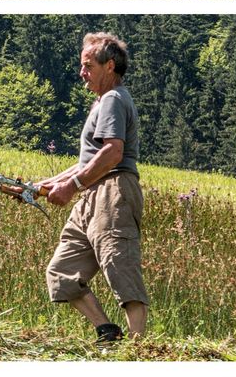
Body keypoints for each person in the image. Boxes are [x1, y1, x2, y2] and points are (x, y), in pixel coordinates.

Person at [39, 32, 149, 342]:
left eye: (88, 66)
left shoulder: (114, 98)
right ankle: (107, 330)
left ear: (109, 66)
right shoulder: (102, 101)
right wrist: (48, 184)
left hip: (114, 191)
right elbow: (88, 160)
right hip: (91, 194)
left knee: (119, 265)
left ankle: (138, 350)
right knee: (62, 272)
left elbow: (112, 153)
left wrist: (71, 186)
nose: (81, 73)